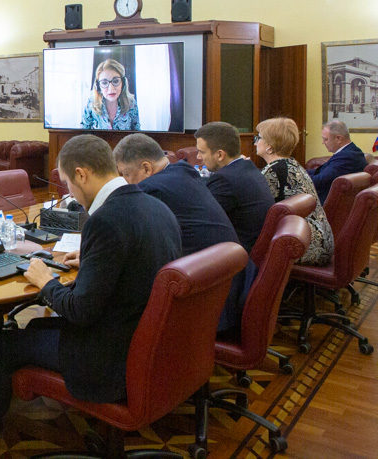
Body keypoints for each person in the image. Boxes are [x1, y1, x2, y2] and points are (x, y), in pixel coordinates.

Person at [0, 135, 181, 437]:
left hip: (109, 360)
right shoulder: (158, 207)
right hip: (146, 343)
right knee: (35, 328)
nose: (71, 194)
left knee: (8, 341)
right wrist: (90, 263)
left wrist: (45, 280)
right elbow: (131, 269)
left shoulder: (105, 220)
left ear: (82, 174)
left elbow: (80, 311)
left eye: (68, 183)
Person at [113, 133, 249, 333]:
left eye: (124, 174)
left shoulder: (151, 189)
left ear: (146, 168)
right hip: (228, 286)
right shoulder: (184, 171)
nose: (125, 181)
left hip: (206, 302)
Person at [256, 117, 334, 266]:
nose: (255, 142)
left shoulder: (273, 171)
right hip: (321, 240)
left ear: (269, 147)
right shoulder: (292, 164)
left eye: (259, 138)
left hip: (304, 245)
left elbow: (257, 209)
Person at [195, 121, 276, 253]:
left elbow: (201, 221)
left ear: (220, 155)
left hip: (238, 259)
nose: (198, 157)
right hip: (250, 251)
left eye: (201, 152)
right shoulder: (248, 168)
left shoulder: (225, 179)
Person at [306, 119, 367, 203]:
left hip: (322, 204)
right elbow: (320, 172)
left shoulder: (347, 157)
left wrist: (295, 178)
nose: (323, 143)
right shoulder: (351, 151)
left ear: (338, 138)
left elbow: (320, 180)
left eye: (326, 139)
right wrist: (299, 172)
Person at [79, 59, 140, 131]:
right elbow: (83, 133)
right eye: (104, 83)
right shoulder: (91, 102)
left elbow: (137, 134)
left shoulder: (131, 104)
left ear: (122, 83)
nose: (111, 89)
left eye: (116, 81)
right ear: (98, 86)